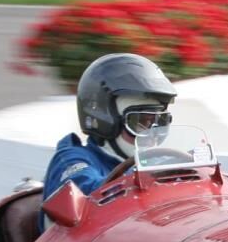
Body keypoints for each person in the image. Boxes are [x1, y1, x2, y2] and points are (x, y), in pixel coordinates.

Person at [39, 53, 177, 229]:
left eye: (160, 123)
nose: (152, 134)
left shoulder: (153, 162)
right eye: (142, 122)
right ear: (106, 121)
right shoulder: (73, 159)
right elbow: (90, 192)